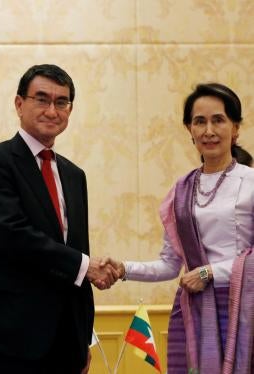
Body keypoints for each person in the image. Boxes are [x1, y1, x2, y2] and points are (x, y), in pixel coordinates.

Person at [0, 64, 119, 374]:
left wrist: (84, 338)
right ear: (19, 104)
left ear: (69, 110)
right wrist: (87, 266)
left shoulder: (75, 176)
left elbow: (75, 248)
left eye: (61, 102)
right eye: (42, 99)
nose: (52, 110)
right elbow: (13, 235)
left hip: (67, 338)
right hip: (13, 334)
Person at [103, 83, 254, 373]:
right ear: (189, 130)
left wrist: (210, 272)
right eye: (200, 121)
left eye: (218, 120)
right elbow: (170, 265)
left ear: (235, 128)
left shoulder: (250, 182)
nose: (209, 130)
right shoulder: (181, 190)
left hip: (243, 310)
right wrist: (124, 269)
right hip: (194, 315)